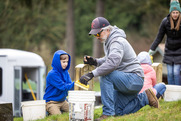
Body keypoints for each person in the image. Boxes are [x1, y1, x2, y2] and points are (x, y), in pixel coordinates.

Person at [79, 17, 159, 121]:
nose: (97, 37)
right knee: (118, 112)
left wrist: (92, 74)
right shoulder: (109, 40)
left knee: (105, 75)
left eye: (98, 33)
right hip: (128, 80)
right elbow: (109, 59)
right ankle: (145, 98)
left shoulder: (116, 41)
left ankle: (107, 114)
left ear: (107, 30)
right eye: (95, 35)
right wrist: (95, 62)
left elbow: (112, 63)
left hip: (134, 78)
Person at [149, 0, 181, 85]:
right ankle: (171, 94)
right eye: (173, 12)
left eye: (177, 12)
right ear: (170, 12)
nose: (175, 14)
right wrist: (151, 50)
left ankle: (178, 93)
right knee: (170, 73)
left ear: (179, 13)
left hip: (179, 51)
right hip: (169, 50)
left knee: (176, 72)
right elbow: (159, 37)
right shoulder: (165, 22)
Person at [43, 50, 74, 115]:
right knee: (58, 116)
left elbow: (70, 86)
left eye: (67, 62)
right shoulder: (52, 74)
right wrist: (75, 83)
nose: (66, 64)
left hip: (63, 101)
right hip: (52, 102)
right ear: (57, 62)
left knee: (73, 113)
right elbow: (63, 87)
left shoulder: (66, 72)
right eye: (63, 62)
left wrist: (80, 83)